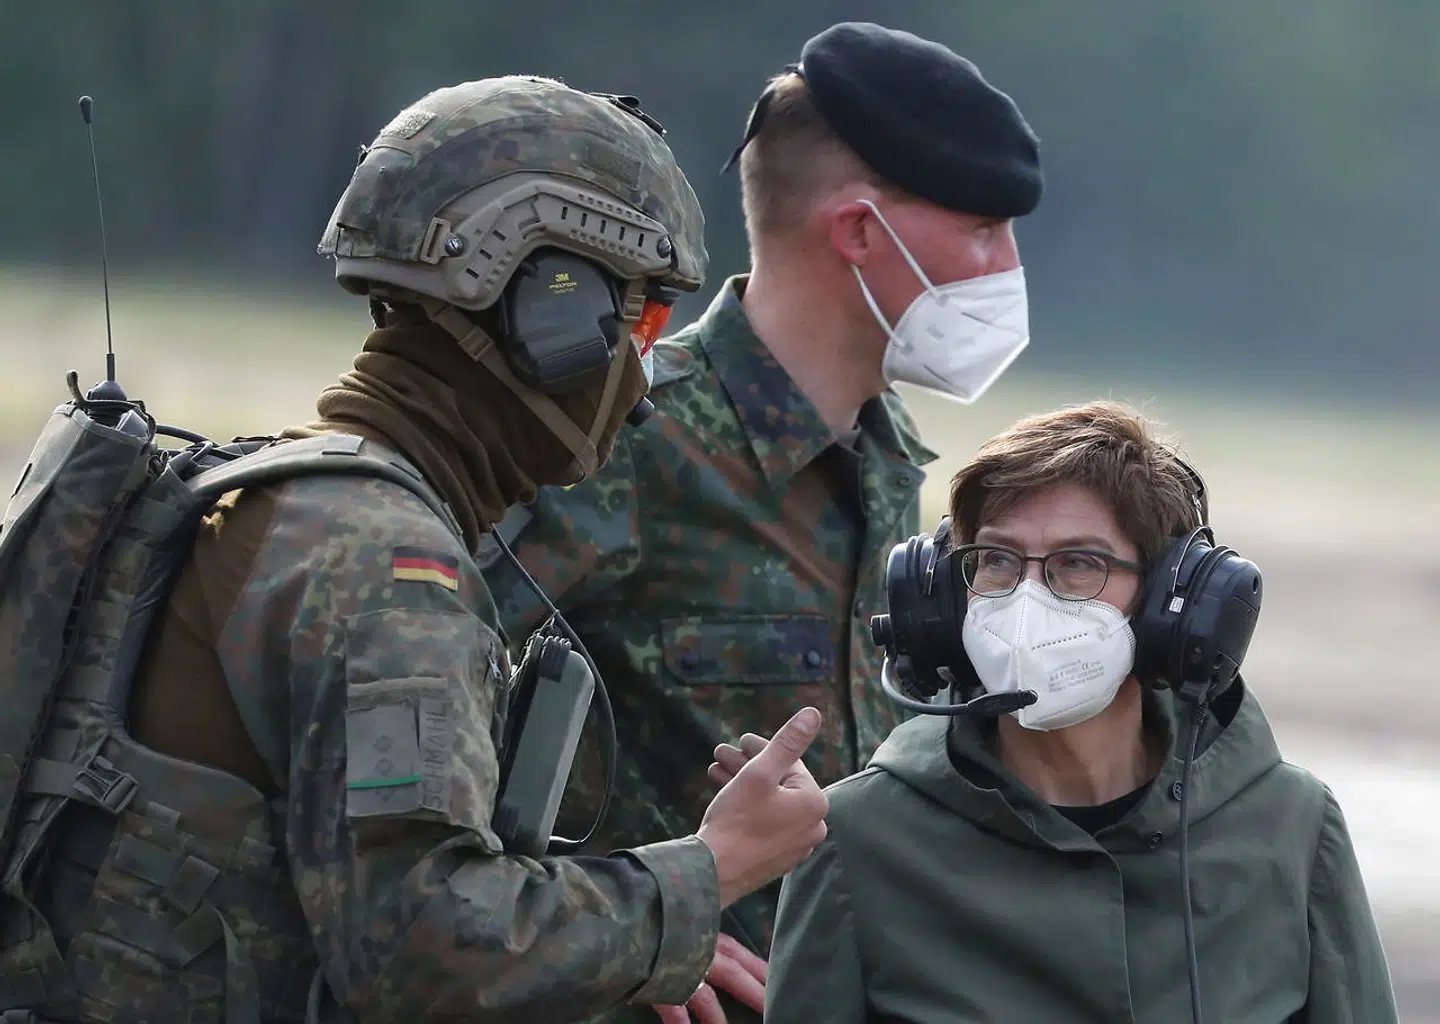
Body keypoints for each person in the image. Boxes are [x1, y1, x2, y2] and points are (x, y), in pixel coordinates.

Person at [0, 76, 831, 1024]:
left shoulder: (268, 494)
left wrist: (624, 946)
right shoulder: (388, 566)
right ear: (550, 317)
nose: (641, 380)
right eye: (639, 323)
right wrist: (710, 871)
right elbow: (426, 954)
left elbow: (310, 863)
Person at [479, 22, 1043, 1022]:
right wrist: (624, 933)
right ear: (861, 233)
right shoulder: (622, 439)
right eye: (985, 229)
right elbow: (411, 736)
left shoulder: (886, 461)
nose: (1007, 267)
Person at [761, 400, 1399, 1023]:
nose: (1027, 600)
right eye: (997, 560)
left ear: (1168, 607)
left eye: (1078, 564)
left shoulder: (1293, 828)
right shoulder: (854, 839)